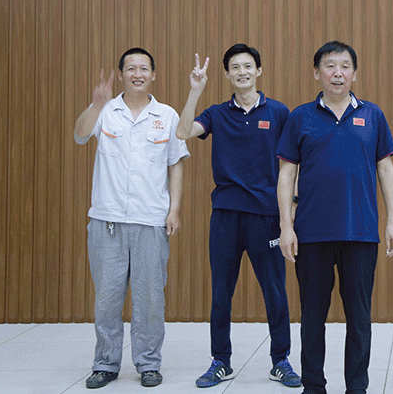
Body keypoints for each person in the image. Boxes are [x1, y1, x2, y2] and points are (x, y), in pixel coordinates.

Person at [276, 41, 393, 394]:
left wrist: (392, 221)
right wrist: (286, 226)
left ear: (354, 74)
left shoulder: (372, 116)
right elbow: (286, 173)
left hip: (360, 232)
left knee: (359, 319)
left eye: (345, 66)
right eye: (330, 66)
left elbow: (386, 170)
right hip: (312, 233)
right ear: (317, 72)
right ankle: (313, 387)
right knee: (312, 319)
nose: (338, 73)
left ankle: (357, 388)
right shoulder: (301, 117)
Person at [175, 45, 300, 389]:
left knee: (275, 292)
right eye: (235, 67)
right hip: (226, 215)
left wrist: (290, 210)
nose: (242, 72)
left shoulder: (278, 112)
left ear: (258, 70)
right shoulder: (216, 113)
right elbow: (182, 132)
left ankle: (281, 361)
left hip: (266, 216)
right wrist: (195, 91)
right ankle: (221, 361)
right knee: (221, 293)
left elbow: (292, 164)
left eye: (248, 66)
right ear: (227, 74)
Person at [74, 47, 189, 389]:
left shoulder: (166, 115)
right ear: (122, 74)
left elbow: (176, 164)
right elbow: (80, 134)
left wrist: (174, 209)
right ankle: (105, 364)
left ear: (153, 75)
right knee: (107, 299)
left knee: (150, 297)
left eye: (144, 68)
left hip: (151, 221)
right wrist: (96, 104)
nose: (137, 74)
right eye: (131, 68)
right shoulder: (106, 111)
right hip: (106, 220)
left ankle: (148, 363)